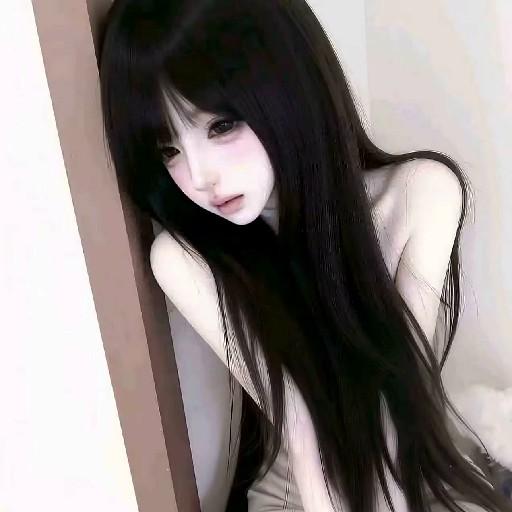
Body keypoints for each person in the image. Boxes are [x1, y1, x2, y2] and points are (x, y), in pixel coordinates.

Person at [97, 1, 511, 511]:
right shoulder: (184, 261)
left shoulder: (420, 194)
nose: (199, 177)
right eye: (168, 150)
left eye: (221, 126)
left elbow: (402, 401)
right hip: (300, 493)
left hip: (415, 465)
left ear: (289, 89)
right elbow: (300, 421)